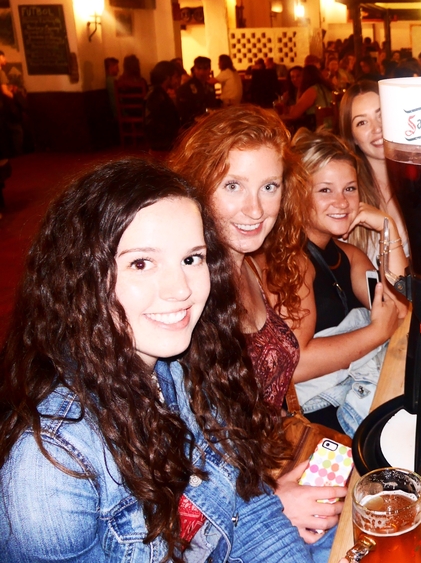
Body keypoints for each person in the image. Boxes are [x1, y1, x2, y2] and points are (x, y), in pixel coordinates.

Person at [0, 158, 322, 562]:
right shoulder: (52, 465)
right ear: (80, 276)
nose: (180, 290)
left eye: (191, 259)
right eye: (141, 263)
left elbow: (246, 508)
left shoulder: (186, 367)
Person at [169, 106, 343, 549]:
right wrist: (271, 503)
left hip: (268, 471)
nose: (255, 209)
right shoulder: (185, 293)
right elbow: (179, 460)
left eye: (269, 186)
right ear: (197, 185)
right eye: (233, 186)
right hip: (226, 519)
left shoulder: (244, 263)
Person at [289, 130, 406, 435]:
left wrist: (388, 229)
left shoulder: (349, 256)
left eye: (349, 189)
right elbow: (295, 364)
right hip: (324, 415)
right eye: (325, 190)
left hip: (360, 393)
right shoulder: (293, 261)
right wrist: (376, 332)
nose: (341, 202)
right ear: (298, 194)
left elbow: (400, 310)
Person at [338, 81, 409, 260]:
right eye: (362, 122)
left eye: (382, 114)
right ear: (352, 137)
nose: (377, 128)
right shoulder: (347, 192)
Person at [144, 60, 181, 152]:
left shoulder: (158, 93)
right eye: (175, 77)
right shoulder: (156, 96)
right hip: (162, 145)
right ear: (167, 78)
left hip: (164, 141)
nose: (177, 81)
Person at [176, 56, 217, 130]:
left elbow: (212, 105)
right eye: (199, 68)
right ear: (194, 69)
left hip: (208, 124)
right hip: (192, 127)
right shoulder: (186, 88)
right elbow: (183, 112)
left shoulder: (210, 87)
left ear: (209, 70)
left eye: (205, 69)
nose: (201, 72)